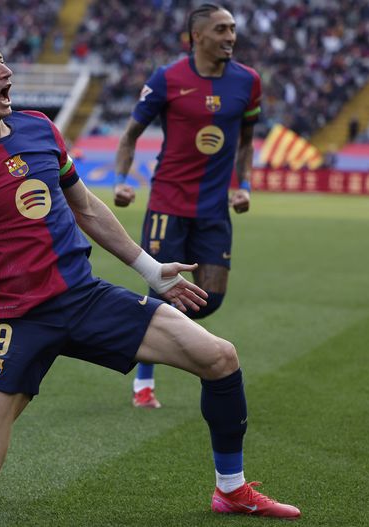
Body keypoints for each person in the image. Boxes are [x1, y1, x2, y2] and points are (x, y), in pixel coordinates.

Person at [0, 22, 300, 519]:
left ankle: (231, 489)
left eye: (3, 60)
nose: (7, 71)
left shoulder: (39, 129)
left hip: (84, 299)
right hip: (17, 321)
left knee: (219, 357)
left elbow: (85, 208)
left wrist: (151, 269)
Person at [113, 4, 261, 409]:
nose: (231, 36)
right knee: (163, 290)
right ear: (198, 36)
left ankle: (155, 337)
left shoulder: (247, 81)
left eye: (232, 29)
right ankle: (143, 383)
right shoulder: (168, 79)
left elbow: (246, 142)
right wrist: (122, 181)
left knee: (209, 299)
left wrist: (244, 185)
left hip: (214, 208)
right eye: (221, 29)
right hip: (167, 203)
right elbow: (130, 135)